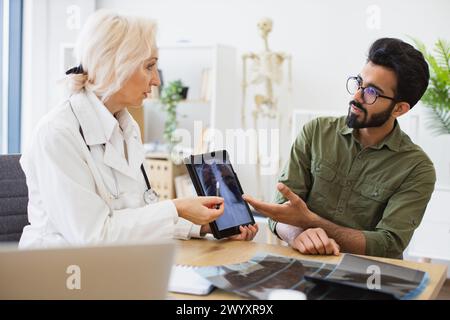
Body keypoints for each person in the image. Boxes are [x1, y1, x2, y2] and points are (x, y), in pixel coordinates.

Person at [19, 10, 257, 249]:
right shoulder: (57, 134)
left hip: (119, 264)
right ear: (114, 66)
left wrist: (203, 226)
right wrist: (176, 207)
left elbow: (137, 214)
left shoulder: (126, 125)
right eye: (149, 67)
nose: (157, 80)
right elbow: (94, 235)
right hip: (61, 274)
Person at [243, 38, 435, 258]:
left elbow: (388, 244)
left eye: (371, 92)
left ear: (399, 109)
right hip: (302, 265)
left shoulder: (417, 168)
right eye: (359, 83)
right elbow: (281, 213)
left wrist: (311, 221)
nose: (356, 96)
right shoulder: (316, 132)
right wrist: (297, 235)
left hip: (367, 279)